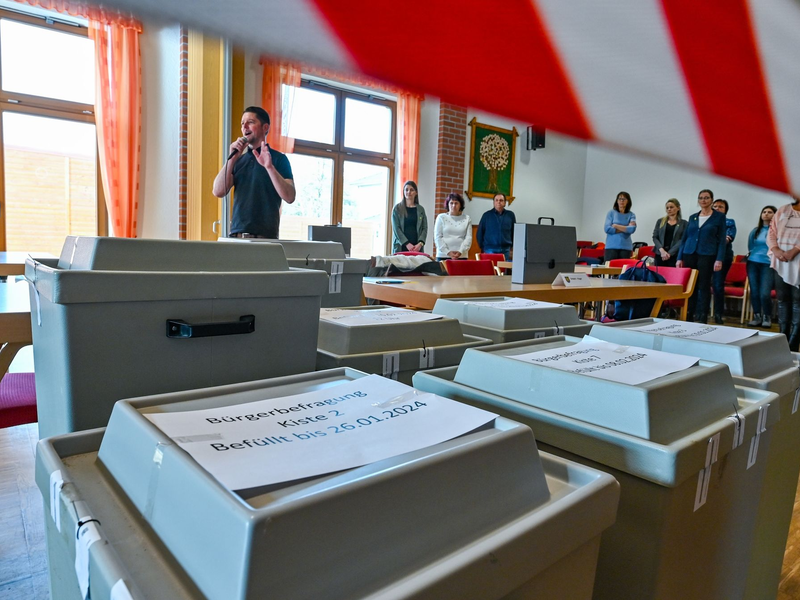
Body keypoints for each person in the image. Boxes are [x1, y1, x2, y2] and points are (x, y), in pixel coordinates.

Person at [212, 106, 295, 239]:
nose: (245, 126)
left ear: (265, 127)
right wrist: (232, 159)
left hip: (265, 238)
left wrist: (269, 167)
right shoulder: (238, 161)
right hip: (237, 236)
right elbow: (218, 191)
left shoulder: (279, 159)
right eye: (242, 123)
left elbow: (290, 197)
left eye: (250, 122)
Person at [676, 189, 726, 323]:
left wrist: (719, 259)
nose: (703, 200)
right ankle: (689, 313)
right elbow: (685, 238)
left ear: (711, 200)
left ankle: (702, 315)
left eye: (706, 198)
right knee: (690, 285)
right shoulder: (693, 217)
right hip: (689, 253)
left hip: (707, 254)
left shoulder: (719, 217)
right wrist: (679, 257)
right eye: (701, 198)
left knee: (703, 286)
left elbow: (721, 240)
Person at [767, 196, 800, 350]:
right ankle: (782, 338)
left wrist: (795, 250)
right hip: (781, 260)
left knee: (797, 301)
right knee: (783, 300)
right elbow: (772, 232)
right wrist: (776, 250)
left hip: (797, 259)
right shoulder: (782, 210)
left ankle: (793, 343)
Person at [746, 205, 777, 327]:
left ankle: (767, 316)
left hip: (768, 264)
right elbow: (750, 246)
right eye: (764, 212)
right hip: (753, 262)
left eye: (770, 212)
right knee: (754, 291)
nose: (766, 214)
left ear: (775, 215)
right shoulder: (755, 230)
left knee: (764, 292)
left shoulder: (776, 231)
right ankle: (757, 316)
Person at [709, 199, 737, 324]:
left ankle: (718, 314)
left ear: (726, 210)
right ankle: (700, 312)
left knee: (718, 285)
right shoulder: (707, 221)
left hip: (723, 257)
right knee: (702, 285)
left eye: (721, 207)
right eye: (715, 206)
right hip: (707, 256)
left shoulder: (729, 222)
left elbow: (726, 239)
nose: (717, 208)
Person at [391, 181, 428, 254]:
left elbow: (424, 228)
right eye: (406, 190)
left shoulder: (421, 209)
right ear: (403, 192)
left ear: (416, 193)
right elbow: (396, 229)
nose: (409, 192)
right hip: (401, 247)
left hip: (417, 248)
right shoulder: (397, 209)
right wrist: (407, 243)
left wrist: (420, 243)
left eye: (412, 190)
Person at [476, 193, 516, 260]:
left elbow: (514, 232)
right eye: (496, 200)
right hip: (490, 249)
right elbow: (480, 233)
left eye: (501, 200)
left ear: (504, 203)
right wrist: (483, 247)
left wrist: (511, 247)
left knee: (503, 270)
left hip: (505, 249)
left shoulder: (510, 215)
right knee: (490, 269)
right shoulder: (486, 215)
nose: (498, 202)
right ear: (493, 202)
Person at [434, 193, 472, 261]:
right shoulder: (441, 217)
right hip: (443, 255)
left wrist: (460, 251)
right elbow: (438, 237)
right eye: (451, 203)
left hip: (461, 255)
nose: (453, 205)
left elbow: (468, 238)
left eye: (456, 203)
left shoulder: (467, 218)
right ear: (448, 205)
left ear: (460, 205)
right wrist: (448, 252)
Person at [652, 198, 687, 267]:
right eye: (667, 208)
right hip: (660, 254)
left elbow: (682, 240)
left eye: (671, 207)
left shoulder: (684, 223)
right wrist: (662, 251)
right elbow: (655, 237)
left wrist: (669, 253)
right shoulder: (660, 221)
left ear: (678, 208)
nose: (669, 209)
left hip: (674, 255)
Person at [603, 192, 637, 262]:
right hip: (611, 246)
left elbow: (632, 229)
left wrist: (615, 225)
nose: (622, 201)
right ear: (617, 201)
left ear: (628, 201)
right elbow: (607, 229)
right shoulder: (611, 213)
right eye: (620, 199)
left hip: (626, 247)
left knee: (623, 270)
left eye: (624, 199)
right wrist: (625, 228)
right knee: (609, 270)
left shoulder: (631, 215)